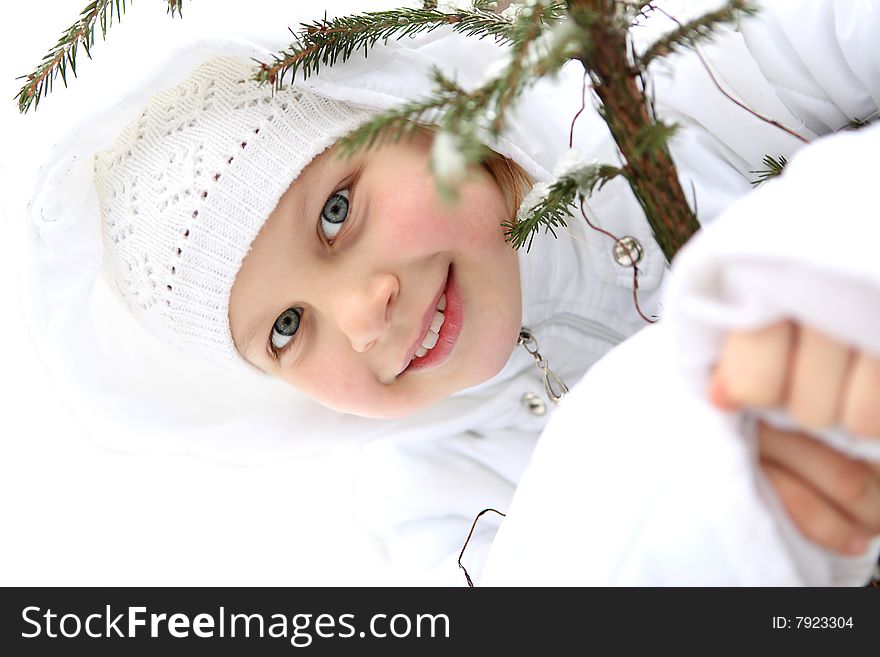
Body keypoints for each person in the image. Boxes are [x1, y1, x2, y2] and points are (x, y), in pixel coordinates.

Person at [22, 0, 880, 585]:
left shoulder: (664, 74)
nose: (361, 318)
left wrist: (815, 256)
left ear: (413, 108)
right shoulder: (440, 498)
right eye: (286, 328)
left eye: (335, 210)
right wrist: (685, 499)